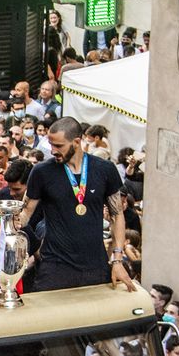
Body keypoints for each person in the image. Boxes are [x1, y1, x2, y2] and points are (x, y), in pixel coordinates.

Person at [14, 116, 131, 291]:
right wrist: (10, 221)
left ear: (77, 142)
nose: (53, 151)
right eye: (51, 144)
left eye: (59, 146)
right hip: (55, 266)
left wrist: (117, 259)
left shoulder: (105, 169)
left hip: (95, 265)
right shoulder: (41, 172)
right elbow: (25, 214)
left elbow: (117, 215)